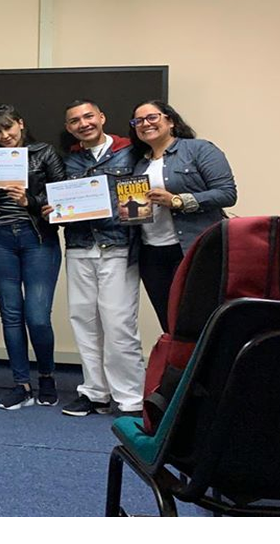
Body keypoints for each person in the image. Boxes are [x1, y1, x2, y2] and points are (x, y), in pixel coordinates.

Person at [54, 99, 145, 417]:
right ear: (69, 128)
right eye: (75, 120)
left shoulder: (130, 153)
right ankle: (95, 393)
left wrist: (127, 210)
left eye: (88, 116)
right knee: (84, 321)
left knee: (119, 324)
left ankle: (131, 398)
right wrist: (53, 210)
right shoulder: (69, 162)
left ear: (102, 118)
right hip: (79, 248)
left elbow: (139, 203)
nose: (83, 123)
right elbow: (61, 203)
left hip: (118, 247)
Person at [0, 104, 65, 411]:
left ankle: (48, 377)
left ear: (21, 124)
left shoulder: (44, 152)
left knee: (37, 316)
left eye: (8, 128)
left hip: (37, 237)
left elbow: (62, 195)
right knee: (11, 315)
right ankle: (21, 384)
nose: (4, 136)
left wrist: (31, 200)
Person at [128, 100, 237, 331]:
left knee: (199, 321)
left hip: (192, 248)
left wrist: (177, 200)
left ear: (171, 121)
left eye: (152, 117)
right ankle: (179, 367)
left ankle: (203, 368)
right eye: (138, 121)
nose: (145, 124)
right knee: (170, 324)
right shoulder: (139, 164)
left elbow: (227, 194)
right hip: (152, 253)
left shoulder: (199, 149)